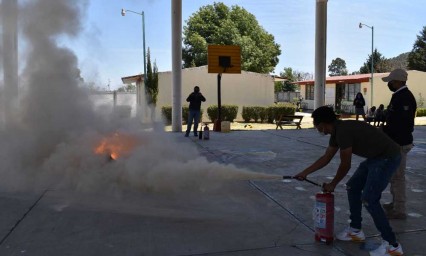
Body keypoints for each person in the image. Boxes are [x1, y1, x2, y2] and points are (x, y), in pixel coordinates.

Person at [294, 106, 403, 256]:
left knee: (370, 199)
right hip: (376, 158)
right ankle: (355, 230)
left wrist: (333, 184)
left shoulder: (343, 131)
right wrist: (304, 173)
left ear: (324, 123)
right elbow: (326, 157)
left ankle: (392, 246)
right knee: (353, 187)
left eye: (317, 125)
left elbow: (345, 164)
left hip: (387, 158)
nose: (317, 128)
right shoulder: (336, 131)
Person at [381, 68, 417, 219]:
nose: (389, 83)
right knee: (394, 176)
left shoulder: (404, 97)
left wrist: (386, 131)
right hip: (395, 142)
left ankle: (399, 209)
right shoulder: (399, 96)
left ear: (398, 81)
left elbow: (402, 124)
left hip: (399, 143)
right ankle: (395, 203)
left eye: (391, 81)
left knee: (398, 177)